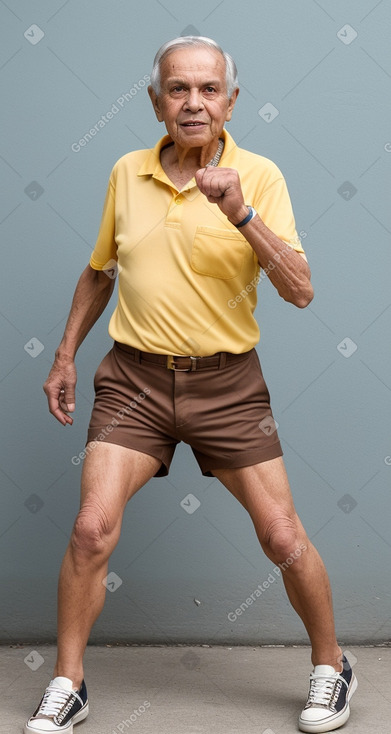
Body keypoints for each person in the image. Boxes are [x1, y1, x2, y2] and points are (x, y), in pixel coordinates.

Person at [25, 36, 357, 734]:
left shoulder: (258, 175)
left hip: (227, 384)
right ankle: (68, 682)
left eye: (209, 90)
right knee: (90, 531)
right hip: (134, 382)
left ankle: (331, 665)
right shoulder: (125, 172)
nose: (193, 102)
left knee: (281, 536)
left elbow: (299, 289)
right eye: (178, 89)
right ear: (155, 103)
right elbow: (100, 271)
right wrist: (62, 357)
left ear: (231, 102)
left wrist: (239, 211)